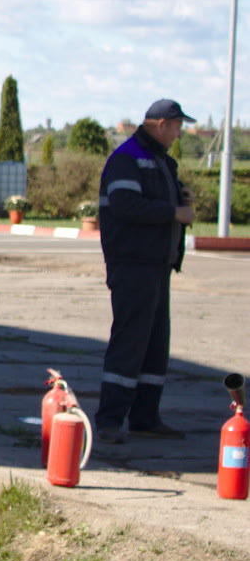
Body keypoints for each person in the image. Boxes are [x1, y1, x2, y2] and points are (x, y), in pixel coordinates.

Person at [92, 97, 195, 445]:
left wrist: (181, 198)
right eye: (178, 127)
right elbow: (124, 204)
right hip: (132, 265)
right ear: (161, 124)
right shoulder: (127, 159)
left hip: (157, 267)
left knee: (154, 345)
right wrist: (173, 213)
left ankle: (145, 418)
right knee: (130, 342)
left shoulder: (161, 162)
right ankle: (108, 421)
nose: (179, 134)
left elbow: (155, 200)